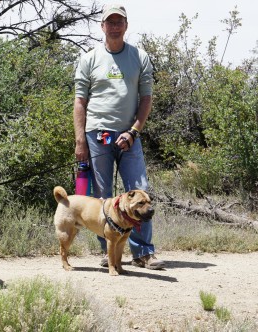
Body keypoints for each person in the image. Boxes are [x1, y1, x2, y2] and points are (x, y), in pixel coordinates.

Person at [73, 3, 165, 270]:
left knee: (140, 188)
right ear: (102, 26)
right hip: (97, 135)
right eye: (110, 22)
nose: (114, 26)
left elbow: (146, 98)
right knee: (103, 195)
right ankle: (109, 252)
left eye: (119, 22)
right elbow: (80, 102)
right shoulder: (89, 58)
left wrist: (133, 132)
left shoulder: (139, 57)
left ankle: (143, 253)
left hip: (130, 136)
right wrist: (80, 140)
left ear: (126, 25)